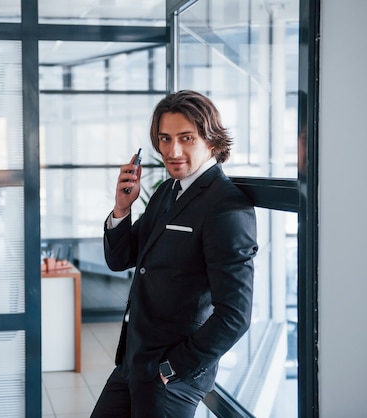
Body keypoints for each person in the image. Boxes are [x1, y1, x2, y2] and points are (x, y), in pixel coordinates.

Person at [90, 90, 258, 417]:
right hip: (134, 362)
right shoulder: (168, 191)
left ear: (211, 140)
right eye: (165, 139)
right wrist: (122, 208)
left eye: (186, 138)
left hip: (169, 377)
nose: (172, 150)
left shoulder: (226, 207)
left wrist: (172, 368)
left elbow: (235, 315)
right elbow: (121, 259)